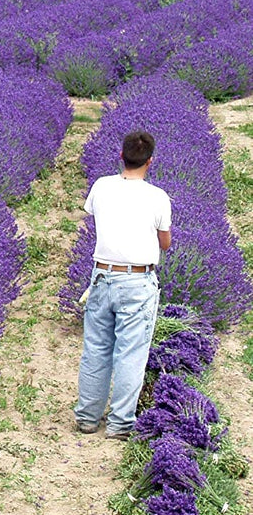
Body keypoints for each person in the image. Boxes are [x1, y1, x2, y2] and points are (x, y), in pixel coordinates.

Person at [75, 130, 172, 440]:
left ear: (121, 156)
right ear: (150, 162)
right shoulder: (157, 196)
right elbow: (165, 243)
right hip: (137, 280)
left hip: (102, 275)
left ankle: (88, 418)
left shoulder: (101, 186)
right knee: (130, 353)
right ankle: (119, 425)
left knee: (96, 349)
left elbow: (94, 216)